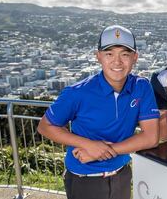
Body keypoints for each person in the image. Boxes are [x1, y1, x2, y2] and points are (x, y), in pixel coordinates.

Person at [37, 25, 160, 199]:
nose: (117, 62)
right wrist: (89, 145)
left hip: (122, 174)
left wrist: (104, 150)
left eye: (124, 54)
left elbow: (151, 137)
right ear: (98, 57)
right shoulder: (78, 92)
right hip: (85, 179)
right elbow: (45, 126)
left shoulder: (141, 87)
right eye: (109, 54)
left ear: (135, 58)